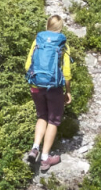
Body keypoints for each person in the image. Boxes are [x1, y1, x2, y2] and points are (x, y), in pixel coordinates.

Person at [24, 15, 72, 171]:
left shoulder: (38, 40)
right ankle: (45, 158)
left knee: (42, 116)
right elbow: (66, 72)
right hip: (54, 88)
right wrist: (68, 91)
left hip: (36, 86)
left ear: (47, 25)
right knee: (53, 120)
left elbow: (27, 66)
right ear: (60, 27)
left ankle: (35, 148)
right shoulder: (62, 43)